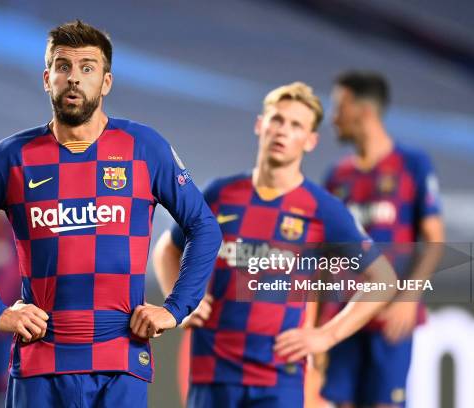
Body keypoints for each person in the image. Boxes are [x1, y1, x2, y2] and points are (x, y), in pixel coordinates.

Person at [0, 20, 221, 408]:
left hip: (120, 361)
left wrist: (176, 308)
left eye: (87, 68)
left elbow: (204, 227)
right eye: (63, 66)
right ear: (46, 77)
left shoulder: (144, 148)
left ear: (106, 82)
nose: (74, 78)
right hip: (40, 363)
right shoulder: (12, 157)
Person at [153, 82, 398, 408]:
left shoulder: (321, 208)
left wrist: (327, 335)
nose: (283, 131)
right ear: (260, 125)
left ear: (310, 141)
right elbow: (167, 249)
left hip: (278, 380)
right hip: (211, 374)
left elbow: (384, 279)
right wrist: (182, 304)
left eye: (296, 125)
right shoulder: (219, 194)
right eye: (277, 120)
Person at [321, 71, 445, 408]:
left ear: (364, 111)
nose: (332, 117)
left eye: (339, 106)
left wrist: (409, 297)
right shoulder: (337, 177)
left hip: (389, 317)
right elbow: (324, 253)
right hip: (343, 317)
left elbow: (433, 239)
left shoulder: (412, 165)